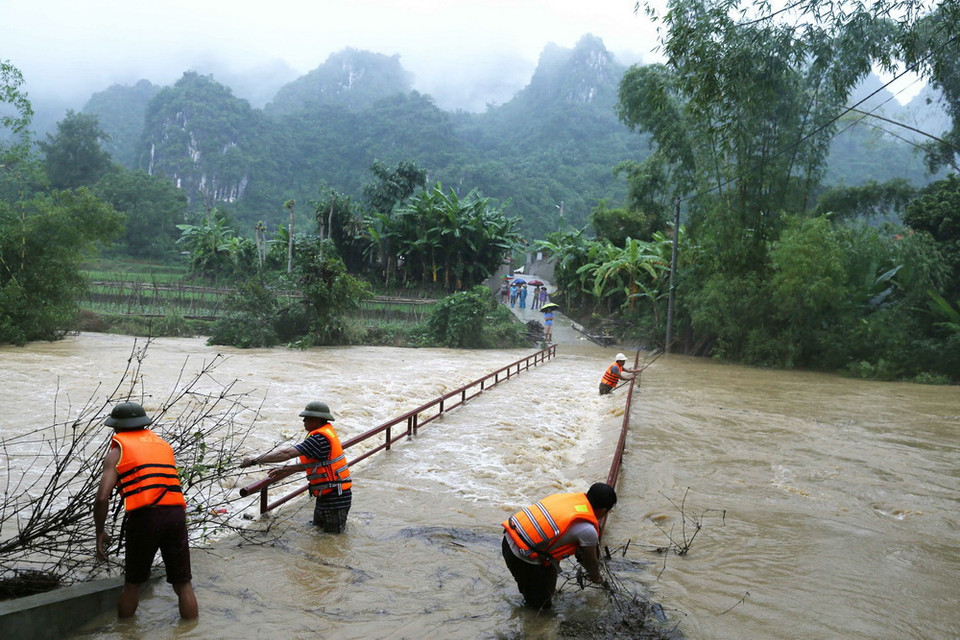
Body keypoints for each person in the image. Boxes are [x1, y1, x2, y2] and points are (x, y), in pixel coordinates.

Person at [94, 402, 199, 620]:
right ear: (143, 424)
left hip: (145, 518)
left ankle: (125, 632)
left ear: (117, 428)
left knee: (132, 584)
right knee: (183, 584)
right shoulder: (163, 445)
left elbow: (103, 496)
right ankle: (191, 632)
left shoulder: (116, 451)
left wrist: (100, 531)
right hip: (176, 515)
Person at [240, 401, 352, 533]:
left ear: (318, 420)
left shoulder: (318, 439)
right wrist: (286, 469)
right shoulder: (323, 433)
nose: (304, 420)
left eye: (308, 418)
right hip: (330, 494)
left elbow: (286, 453)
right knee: (320, 533)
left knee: (333, 538)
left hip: (335, 497)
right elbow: (316, 465)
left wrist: (255, 460)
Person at [501, 482, 617, 610]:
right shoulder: (587, 530)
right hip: (521, 557)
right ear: (603, 510)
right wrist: (596, 577)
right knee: (541, 608)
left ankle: (548, 594)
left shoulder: (568, 499)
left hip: (510, 537)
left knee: (548, 581)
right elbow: (589, 560)